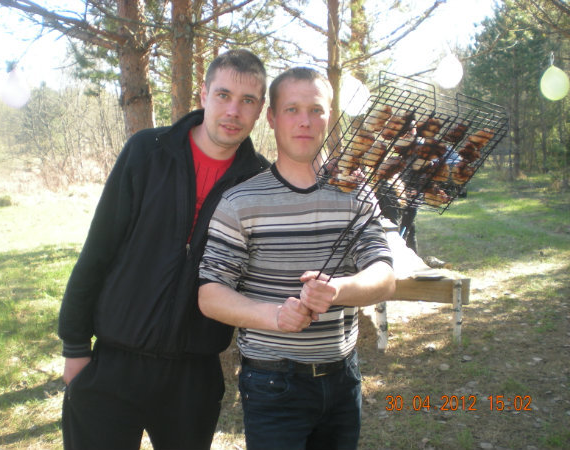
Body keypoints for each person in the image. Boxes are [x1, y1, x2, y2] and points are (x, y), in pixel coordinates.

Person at [57, 49, 268, 450]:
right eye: (223, 95)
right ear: (204, 94)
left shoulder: (258, 181)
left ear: (260, 110)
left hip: (194, 377)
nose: (233, 111)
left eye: (247, 100)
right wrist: (75, 347)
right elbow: (99, 248)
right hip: (114, 363)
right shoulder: (147, 151)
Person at [198, 67, 396, 450]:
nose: (305, 121)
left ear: (329, 116)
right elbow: (210, 295)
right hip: (272, 384)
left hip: (343, 380)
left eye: (315, 110)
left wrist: (338, 290)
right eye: (292, 109)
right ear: (271, 118)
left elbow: (384, 276)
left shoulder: (355, 191)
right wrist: (274, 316)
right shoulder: (240, 201)